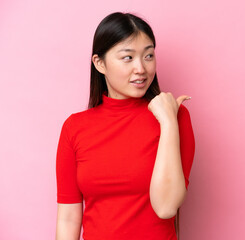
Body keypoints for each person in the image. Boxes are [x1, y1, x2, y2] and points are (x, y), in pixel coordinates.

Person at [55, 12, 195, 240]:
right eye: (128, 58)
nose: (141, 68)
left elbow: (167, 207)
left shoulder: (175, 117)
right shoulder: (75, 128)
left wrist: (168, 122)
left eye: (148, 56)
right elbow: (68, 217)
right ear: (100, 63)